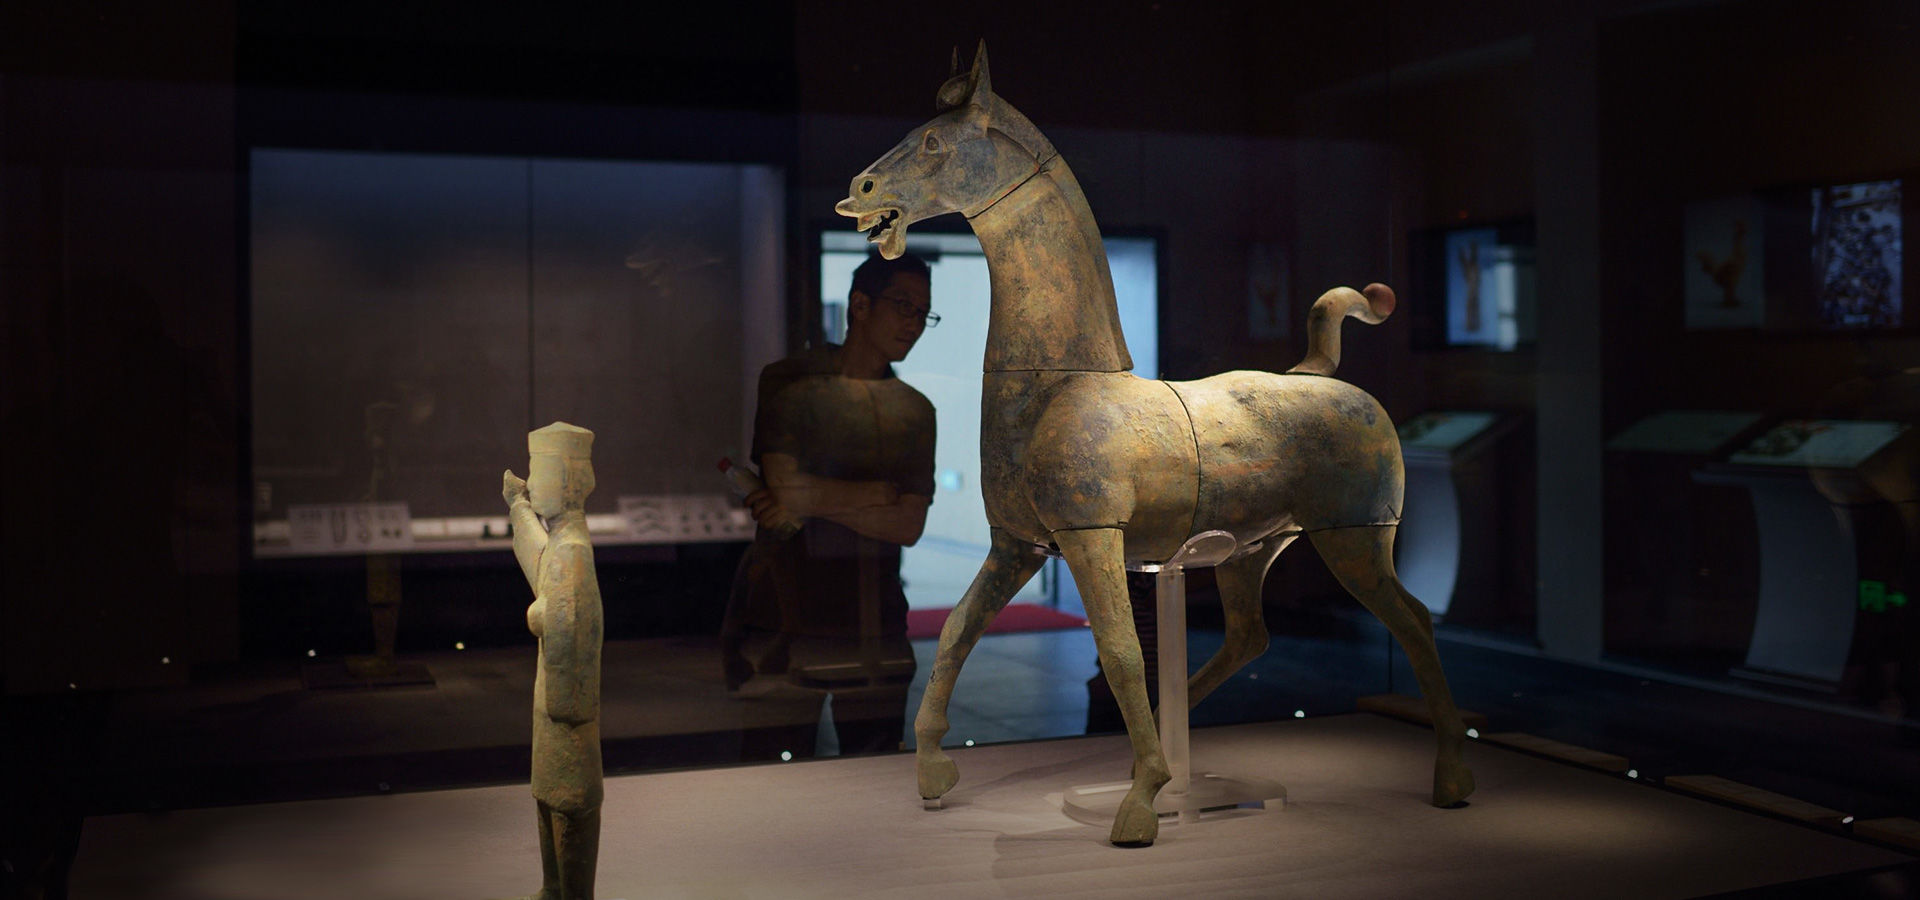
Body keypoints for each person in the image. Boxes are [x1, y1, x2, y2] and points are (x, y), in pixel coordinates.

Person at [721, 251, 938, 756]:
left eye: (923, 313)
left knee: (872, 775)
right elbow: (786, 487)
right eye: (903, 305)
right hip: (784, 619)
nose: (913, 323)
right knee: (772, 776)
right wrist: (872, 494)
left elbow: (908, 525)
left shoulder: (914, 410)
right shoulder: (790, 380)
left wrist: (802, 501)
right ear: (860, 305)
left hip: (874, 623)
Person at [503, 422, 603, 900]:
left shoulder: (574, 553)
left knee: (568, 803)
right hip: (553, 705)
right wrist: (518, 506)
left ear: (566, 480)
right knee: (548, 795)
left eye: (536, 472)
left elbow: (569, 630)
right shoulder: (564, 545)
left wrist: (538, 615)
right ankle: (553, 888)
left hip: (566, 710)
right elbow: (540, 562)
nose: (532, 480)